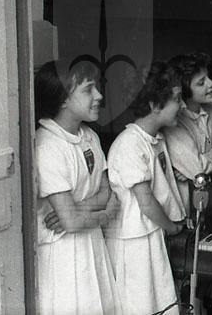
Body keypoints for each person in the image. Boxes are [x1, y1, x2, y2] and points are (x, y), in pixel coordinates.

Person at [34, 60, 122, 315]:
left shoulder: (89, 136)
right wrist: (105, 214)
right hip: (64, 254)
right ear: (63, 99)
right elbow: (72, 223)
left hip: (91, 243)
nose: (99, 96)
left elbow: (106, 192)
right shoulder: (47, 146)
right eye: (88, 89)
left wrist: (76, 210)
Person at [104, 61, 187, 315]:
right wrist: (172, 227)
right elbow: (146, 202)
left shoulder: (155, 139)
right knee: (139, 306)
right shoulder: (130, 144)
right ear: (154, 105)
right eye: (177, 99)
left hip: (150, 236)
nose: (183, 106)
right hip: (133, 244)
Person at [164, 54, 212, 210]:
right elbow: (198, 169)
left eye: (208, 78)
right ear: (184, 91)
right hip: (185, 205)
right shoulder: (175, 122)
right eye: (201, 83)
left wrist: (202, 166)